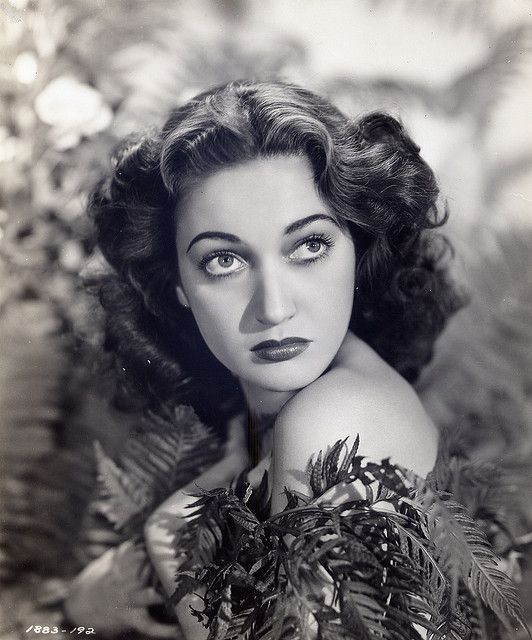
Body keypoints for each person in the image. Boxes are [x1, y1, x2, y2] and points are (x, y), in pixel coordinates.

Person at [66, 80, 464, 638]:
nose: (274, 308)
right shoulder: (289, 406)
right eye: (224, 261)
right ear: (179, 285)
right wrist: (84, 603)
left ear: (357, 246)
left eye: (309, 246)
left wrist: (166, 533)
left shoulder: (328, 419)